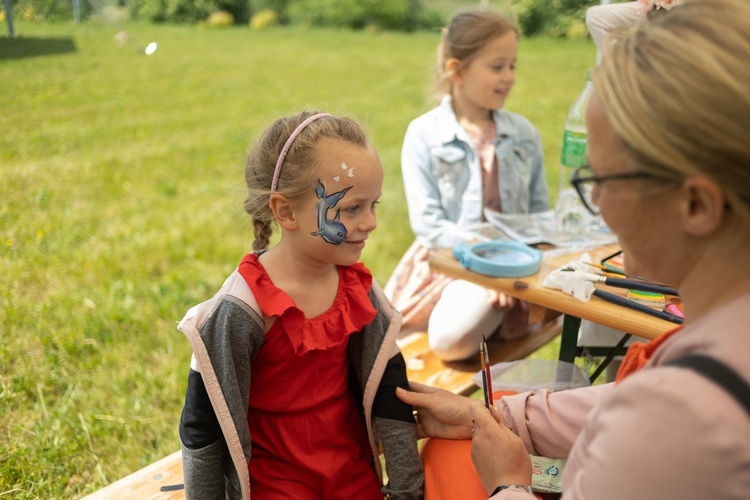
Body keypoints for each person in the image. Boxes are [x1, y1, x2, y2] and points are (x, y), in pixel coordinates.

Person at [397, 0, 750, 497]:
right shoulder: (711, 347)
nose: (596, 204)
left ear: (695, 205)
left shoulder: (671, 426)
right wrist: (493, 414)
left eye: (602, 180)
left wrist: (509, 485)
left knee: (448, 462)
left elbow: (643, 412)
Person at [177, 111, 424, 499]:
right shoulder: (243, 309)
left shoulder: (360, 291)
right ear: (286, 211)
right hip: (275, 482)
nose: (372, 221)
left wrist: (408, 489)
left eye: (373, 204)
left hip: (351, 471)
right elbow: (203, 428)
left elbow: (390, 395)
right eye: (351, 208)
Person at [385, 8, 549, 361]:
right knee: (427, 343)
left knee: (449, 339)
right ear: (455, 70)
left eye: (512, 66)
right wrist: (484, 265)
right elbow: (429, 226)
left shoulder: (524, 135)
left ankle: (499, 312)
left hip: (513, 266)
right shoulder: (424, 134)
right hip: (448, 263)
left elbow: (537, 217)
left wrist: (503, 273)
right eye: (497, 66)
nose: (508, 77)